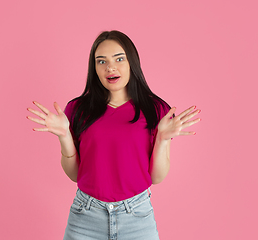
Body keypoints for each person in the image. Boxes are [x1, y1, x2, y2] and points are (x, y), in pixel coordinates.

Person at [26, 30, 201, 240]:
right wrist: (64, 135)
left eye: (119, 59)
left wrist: (163, 138)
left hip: (137, 217)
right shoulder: (77, 109)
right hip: (85, 216)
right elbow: (75, 175)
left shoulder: (156, 109)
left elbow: (157, 177)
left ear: (131, 63)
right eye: (101, 62)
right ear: (95, 69)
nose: (110, 67)